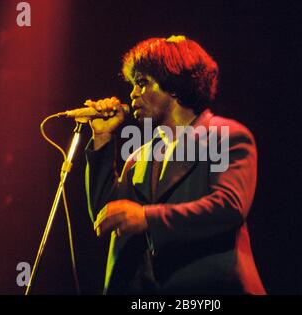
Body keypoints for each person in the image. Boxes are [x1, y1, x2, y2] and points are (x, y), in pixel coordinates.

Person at [84, 35, 266, 294]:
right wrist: (102, 137)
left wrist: (147, 218)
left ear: (174, 85)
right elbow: (107, 216)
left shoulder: (225, 135)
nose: (133, 93)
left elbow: (228, 207)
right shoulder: (140, 157)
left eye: (142, 83)